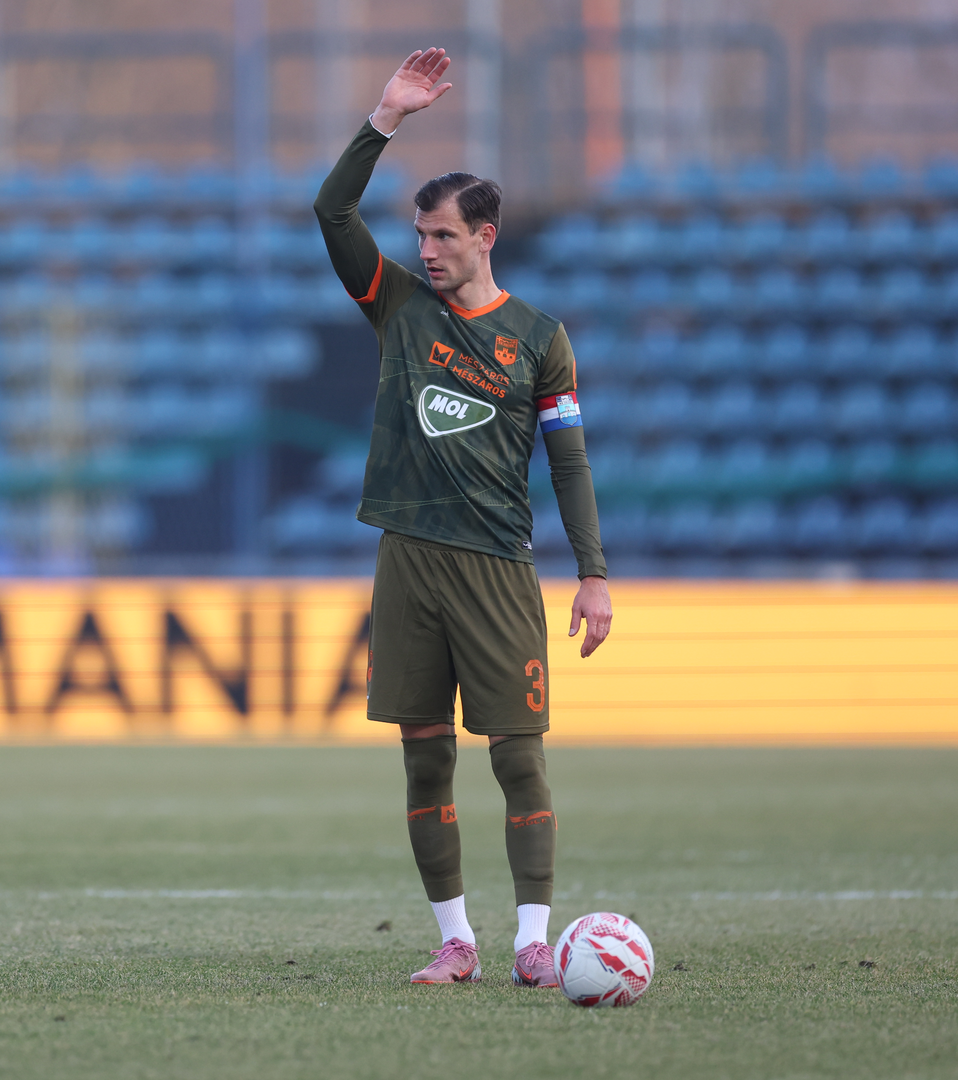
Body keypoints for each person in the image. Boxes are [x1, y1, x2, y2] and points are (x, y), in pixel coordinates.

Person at [314, 47, 612, 987]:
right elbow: (331, 212)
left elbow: (567, 459)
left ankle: (533, 940)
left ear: (485, 237)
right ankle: (455, 942)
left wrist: (592, 574)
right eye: (419, 234)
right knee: (423, 760)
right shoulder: (398, 308)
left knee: (518, 760)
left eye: (442, 235)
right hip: (408, 560)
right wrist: (384, 119)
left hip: (496, 566)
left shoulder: (539, 341)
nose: (426, 250)